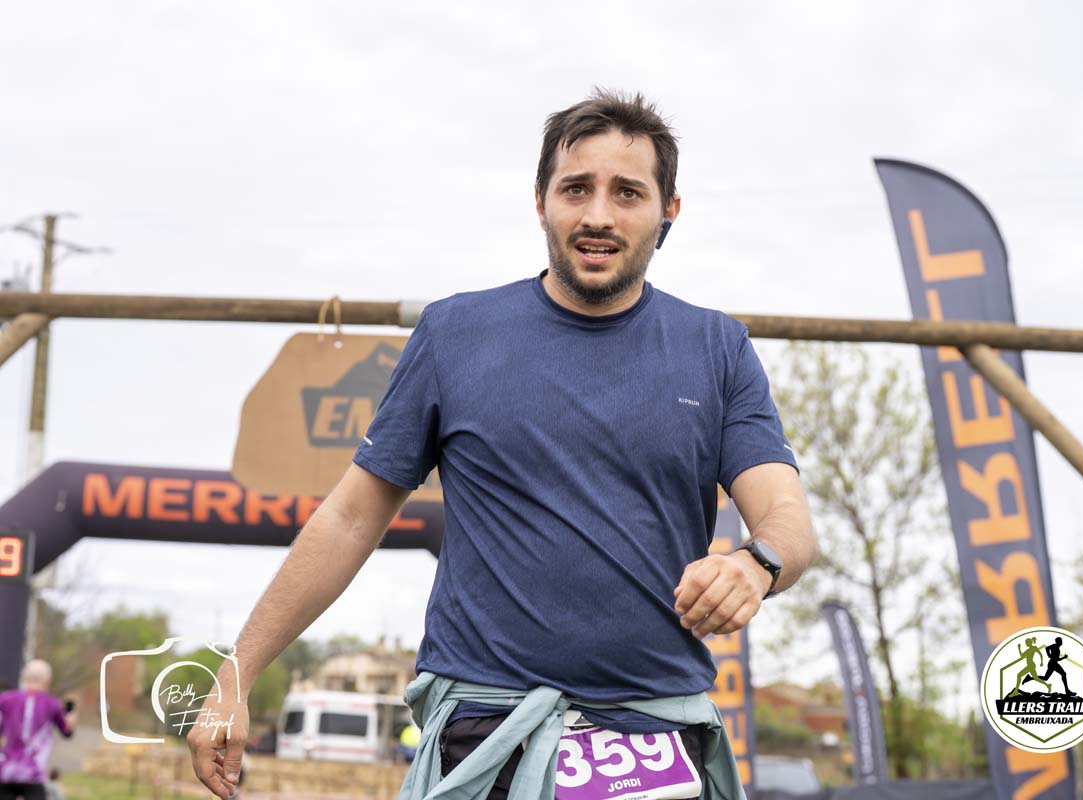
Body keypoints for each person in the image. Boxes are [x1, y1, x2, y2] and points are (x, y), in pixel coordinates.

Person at [188, 89, 817, 800]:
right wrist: (235, 675)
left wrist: (755, 565)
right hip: (484, 735)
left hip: (656, 737)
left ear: (668, 210)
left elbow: (788, 520)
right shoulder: (454, 334)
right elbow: (350, 518)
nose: (598, 215)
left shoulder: (717, 348)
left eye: (627, 192)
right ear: (540, 201)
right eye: (575, 188)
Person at [0, 660, 77, 800]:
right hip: (34, 773)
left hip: (5, 771)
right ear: (48, 680)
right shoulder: (52, 704)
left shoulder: (5, 699)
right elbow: (66, 732)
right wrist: (71, 722)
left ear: (24, 677)